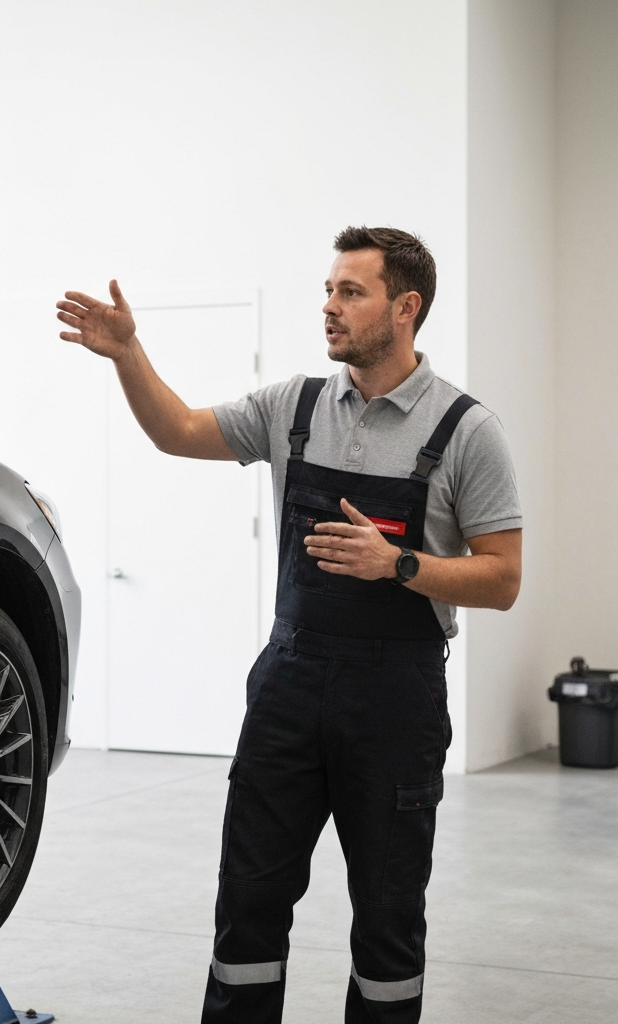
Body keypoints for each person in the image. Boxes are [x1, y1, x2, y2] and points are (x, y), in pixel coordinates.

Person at [56, 226, 522, 1024]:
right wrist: (128, 354)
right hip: (289, 684)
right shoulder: (294, 407)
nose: (330, 307)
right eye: (329, 290)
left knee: (387, 917)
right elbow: (178, 431)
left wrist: (399, 565)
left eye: (352, 292)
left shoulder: (467, 431)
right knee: (249, 901)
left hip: (396, 698)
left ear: (405, 308)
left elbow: (504, 578)